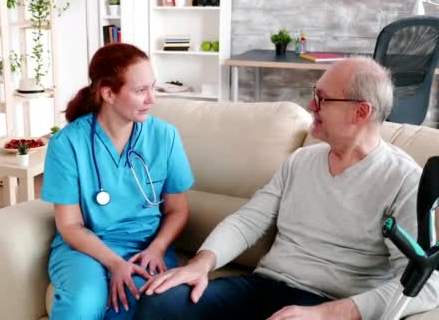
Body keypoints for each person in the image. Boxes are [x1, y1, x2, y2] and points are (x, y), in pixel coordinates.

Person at [133, 58, 439, 320]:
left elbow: (426, 283)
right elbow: (248, 220)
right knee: (159, 300)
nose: (310, 106)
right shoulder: (302, 160)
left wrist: (327, 314)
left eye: (322, 99)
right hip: (265, 285)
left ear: (360, 112)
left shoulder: (404, 180)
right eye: (313, 95)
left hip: (330, 304)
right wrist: (201, 264)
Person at [41, 43, 195, 320]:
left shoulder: (165, 137)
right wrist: (114, 263)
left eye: (153, 87)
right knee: (83, 303)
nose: (152, 99)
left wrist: (158, 247)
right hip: (85, 247)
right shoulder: (67, 144)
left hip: (144, 248)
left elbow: (178, 209)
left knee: (133, 305)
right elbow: (69, 225)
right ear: (108, 94)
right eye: (140, 91)